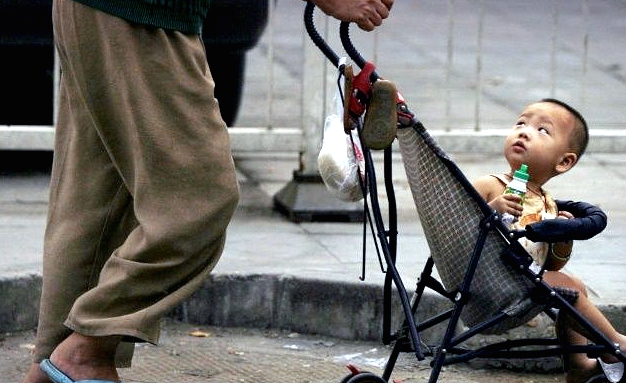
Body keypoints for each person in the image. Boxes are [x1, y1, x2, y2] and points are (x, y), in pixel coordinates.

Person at [21, 0, 394, 382]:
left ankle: (49, 370)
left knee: (96, 200)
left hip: (101, 11)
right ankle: (83, 353)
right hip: (141, 14)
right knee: (199, 199)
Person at [471, 99, 626, 383]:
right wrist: (492, 210)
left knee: (574, 286)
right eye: (521, 123)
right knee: (563, 286)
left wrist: (562, 237)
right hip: (490, 284)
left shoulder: (547, 203)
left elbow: (552, 262)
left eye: (542, 130)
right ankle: (613, 343)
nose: (524, 132)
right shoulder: (490, 184)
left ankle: (579, 364)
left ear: (564, 161)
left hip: (523, 281)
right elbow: (458, 222)